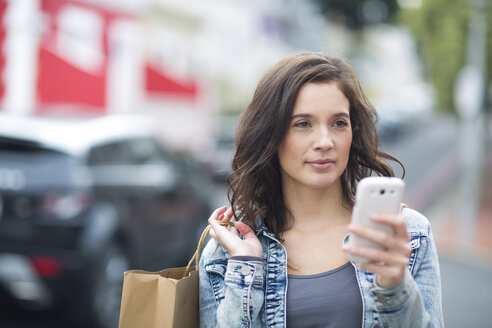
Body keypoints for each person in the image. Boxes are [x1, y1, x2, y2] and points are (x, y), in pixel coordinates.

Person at [199, 53, 444, 328]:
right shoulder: (228, 251)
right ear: (270, 134)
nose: (325, 141)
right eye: (303, 124)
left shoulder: (409, 235)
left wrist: (394, 286)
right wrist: (246, 268)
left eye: (339, 122)